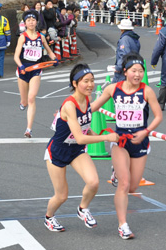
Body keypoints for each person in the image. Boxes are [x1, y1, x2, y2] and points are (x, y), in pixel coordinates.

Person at [91, 53, 163, 239]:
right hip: (120, 141)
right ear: (125, 71)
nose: (137, 75)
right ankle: (123, 225)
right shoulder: (113, 89)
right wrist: (68, 112)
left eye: (140, 71)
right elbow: (92, 107)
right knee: (123, 184)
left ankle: (118, 171)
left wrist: (145, 132)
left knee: (132, 187)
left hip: (140, 141)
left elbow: (158, 116)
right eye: (134, 71)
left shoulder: (146, 91)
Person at [44, 64, 119, 232]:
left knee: (93, 182)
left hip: (77, 150)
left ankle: (82, 209)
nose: (90, 84)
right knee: (61, 196)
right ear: (75, 83)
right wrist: (106, 137)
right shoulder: (70, 105)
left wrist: (100, 135)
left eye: (92, 80)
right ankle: (49, 217)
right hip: (58, 151)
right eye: (86, 81)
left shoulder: (87, 99)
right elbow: (79, 137)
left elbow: (84, 129)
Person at [14, 10, 57, 138]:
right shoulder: (23, 37)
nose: (31, 22)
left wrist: (54, 59)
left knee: (32, 97)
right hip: (23, 69)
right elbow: (16, 56)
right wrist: (21, 66)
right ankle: (23, 102)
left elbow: (49, 51)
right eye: (28, 21)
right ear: (25, 23)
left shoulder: (41, 37)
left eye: (33, 20)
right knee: (25, 101)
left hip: (36, 69)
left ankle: (29, 129)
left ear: (36, 22)